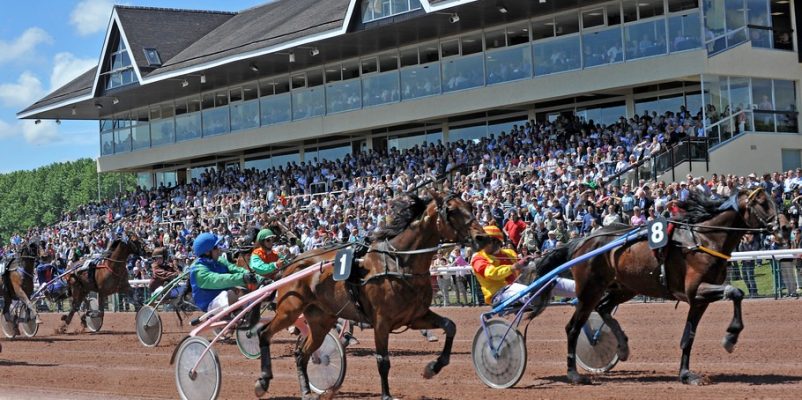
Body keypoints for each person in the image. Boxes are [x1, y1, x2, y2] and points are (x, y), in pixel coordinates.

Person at [472, 225, 575, 307]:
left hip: (520, 286)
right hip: (498, 294)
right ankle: (536, 296)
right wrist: (513, 267)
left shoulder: (509, 253)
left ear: (496, 241)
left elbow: (522, 272)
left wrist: (530, 263)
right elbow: (492, 274)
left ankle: (579, 289)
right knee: (533, 293)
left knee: (549, 281)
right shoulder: (478, 258)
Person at [189, 232, 257, 312]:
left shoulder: (220, 260)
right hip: (209, 304)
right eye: (215, 248)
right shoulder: (198, 270)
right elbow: (218, 280)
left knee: (250, 292)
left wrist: (257, 278)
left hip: (224, 298)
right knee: (231, 295)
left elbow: (236, 270)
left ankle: (247, 318)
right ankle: (234, 321)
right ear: (207, 252)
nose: (219, 249)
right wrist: (242, 278)